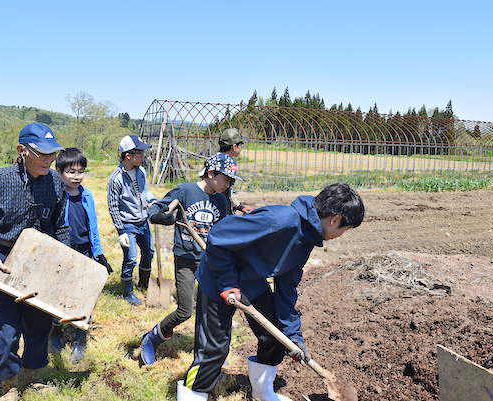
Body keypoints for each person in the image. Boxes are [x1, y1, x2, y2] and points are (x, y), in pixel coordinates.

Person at [178, 183, 365, 401]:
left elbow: (286, 286)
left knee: (276, 337)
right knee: (214, 349)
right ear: (335, 219)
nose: (342, 234)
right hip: (219, 276)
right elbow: (219, 235)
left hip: (250, 280)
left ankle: (262, 391)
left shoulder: (307, 238)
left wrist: (293, 335)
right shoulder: (280, 220)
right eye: (345, 229)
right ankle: (193, 394)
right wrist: (229, 283)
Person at [0, 122, 69, 399]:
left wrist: (63, 260)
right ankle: (7, 380)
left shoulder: (56, 182)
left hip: (41, 259)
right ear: (22, 150)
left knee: (38, 322)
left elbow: (61, 226)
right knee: (6, 327)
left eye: (52, 154)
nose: (49, 160)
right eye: (42, 154)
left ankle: (33, 374)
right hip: (4, 258)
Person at [139, 153, 241, 366]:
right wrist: (164, 216)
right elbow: (156, 210)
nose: (229, 184)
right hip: (186, 259)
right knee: (186, 310)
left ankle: (205, 354)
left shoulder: (222, 200)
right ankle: (152, 337)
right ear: (211, 173)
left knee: (207, 312)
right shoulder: (185, 191)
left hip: (209, 262)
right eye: (227, 179)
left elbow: (225, 230)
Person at [49, 147, 113, 364]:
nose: (76, 176)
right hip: (64, 253)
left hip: (84, 251)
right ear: (59, 171)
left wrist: (99, 253)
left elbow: (93, 226)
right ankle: (56, 330)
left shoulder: (86, 195)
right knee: (59, 295)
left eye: (80, 171)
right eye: (71, 172)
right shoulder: (55, 195)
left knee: (85, 296)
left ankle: (80, 337)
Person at [107, 135, 157, 306]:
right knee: (131, 258)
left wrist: (154, 201)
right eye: (140, 153)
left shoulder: (141, 172)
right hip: (128, 224)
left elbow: (146, 192)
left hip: (144, 221)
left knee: (149, 252)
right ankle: (127, 291)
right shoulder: (116, 179)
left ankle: (143, 284)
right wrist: (121, 231)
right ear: (128, 155)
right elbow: (113, 206)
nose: (143, 156)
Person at [218, 128, 252, 215]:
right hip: (219, 207)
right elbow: (224, 190)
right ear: (234, 146)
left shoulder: (217, 159)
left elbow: (228, 192)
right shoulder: (225, 162)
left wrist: (240, 206)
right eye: (240, 145)